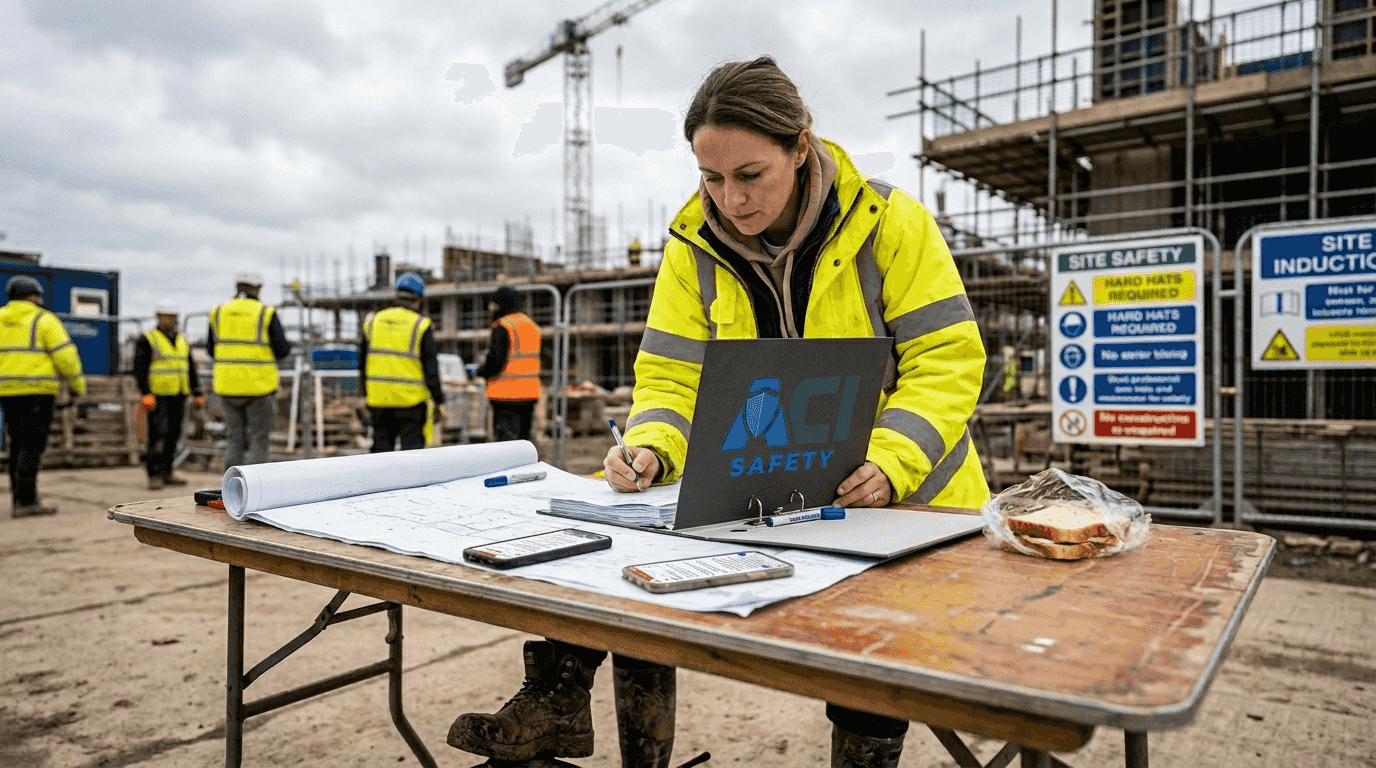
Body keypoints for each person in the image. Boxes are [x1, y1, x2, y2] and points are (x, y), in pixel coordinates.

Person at [451, 57, 991, 768]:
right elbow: (672, 377)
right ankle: (560, 700)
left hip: (903, 498)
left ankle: (865, 759)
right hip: (762, 486)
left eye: (750, 175)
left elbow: (945, 359)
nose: (729, 200)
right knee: (624, 566)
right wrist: (650, 444)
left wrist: (891, 461)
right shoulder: (692, 246)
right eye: (711, 177)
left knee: (868, 644)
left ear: (801, 148)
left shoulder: (890, 223)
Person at [0, 275, 86, 517]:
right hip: (37, 392)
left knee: (16, 443)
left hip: (7, 392)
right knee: (32, 445)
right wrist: (77, 384)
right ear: (34, 297)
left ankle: (19, 498)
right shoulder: (43, 319)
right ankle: (27, 502)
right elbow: (65, 356)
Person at [207, 272, 290, 472]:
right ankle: (256, 488)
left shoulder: (219, 311)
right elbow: (282, 349)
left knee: (234, 437)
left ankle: (232, 487)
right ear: (257, 288)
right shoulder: (264, 312)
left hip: (227, 385)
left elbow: (211, 349)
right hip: (259, 387)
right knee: (259, 438)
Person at [359, 272, 445, 452]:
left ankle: (381, 481)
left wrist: (364, 393)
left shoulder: (374, 321)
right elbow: (431, 367)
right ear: (418, 299)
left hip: (378, 399)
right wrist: (438, 398)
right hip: (410, 401)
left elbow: (362, 362)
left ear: (396, 295)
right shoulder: (420, 324)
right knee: (411, 453)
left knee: (381, 451)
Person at [134, 299, 204, 490]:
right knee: (158, 435)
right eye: (167, 316)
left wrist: (197, 391)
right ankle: (154, 474)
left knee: (174, 434)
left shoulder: (182, 339)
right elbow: (139, 368)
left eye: (174, 317)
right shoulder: (147, 339)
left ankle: (168, 471)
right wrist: (145, 393)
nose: (171, 320)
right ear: (158, 317)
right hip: (158, 396)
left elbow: (190, 367)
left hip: (179, 394)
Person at [472, 285, 541, 442]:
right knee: (524, 442)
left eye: (493, 304)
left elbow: (495, 362)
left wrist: (479, 371)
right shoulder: (531, 325)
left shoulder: (503, 326)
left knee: (507, 444)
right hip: (529, 394)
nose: (491, 309)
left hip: (506, 396)